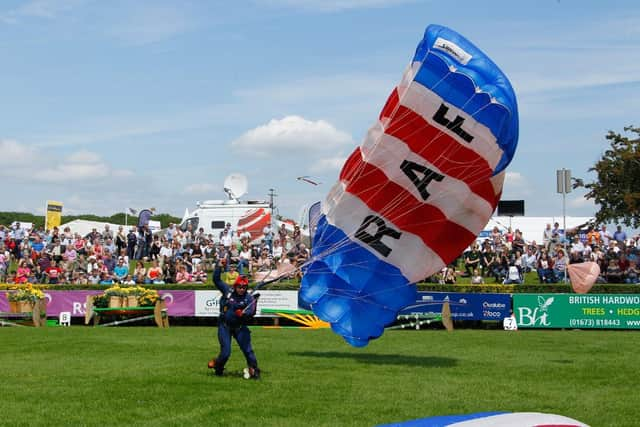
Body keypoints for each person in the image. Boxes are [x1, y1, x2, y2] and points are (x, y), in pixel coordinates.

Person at [208, 260, 260, 379]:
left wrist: (244, 314)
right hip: (224, 326)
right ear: (235, 286)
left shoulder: (249, 298)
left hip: (240, 327)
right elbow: (216, 280)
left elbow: (252, 311)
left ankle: (254, 370)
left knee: (248, 351)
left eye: (244, 287)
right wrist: (219, 267)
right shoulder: (228, 292)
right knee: (226, 352)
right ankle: (218, 366)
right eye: (239, 287)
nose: (241, 289)